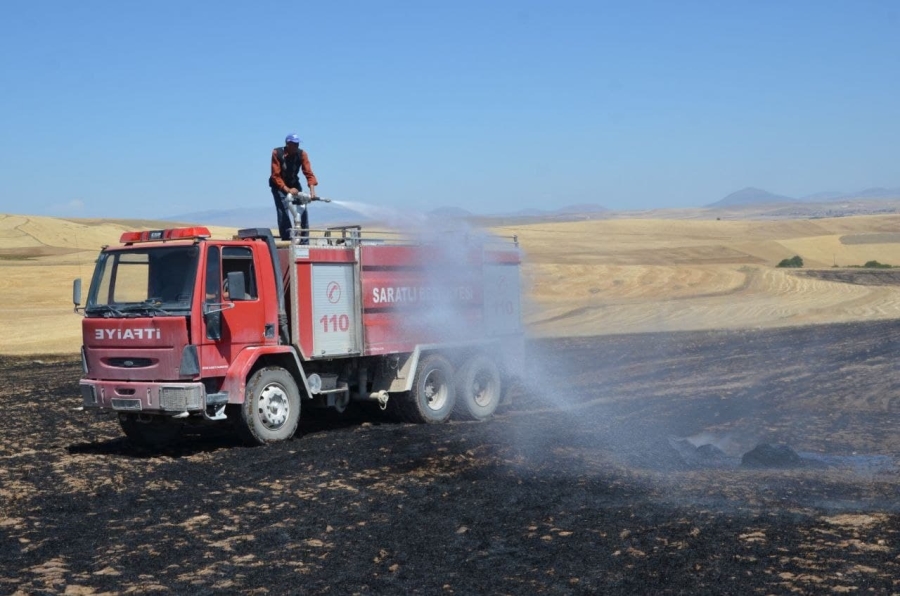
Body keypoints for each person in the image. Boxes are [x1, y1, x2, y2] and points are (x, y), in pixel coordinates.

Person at [269, 133, 318, 242]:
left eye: (298, 144)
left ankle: (304, 241)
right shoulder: (277, 153)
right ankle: (287, 240)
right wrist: (288, 190)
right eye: (294, 144)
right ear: (288, 144)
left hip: (294, 185)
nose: (297, 146)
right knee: (283, 210)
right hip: (279, 186)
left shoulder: (302, 154)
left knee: (302, 210)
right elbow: (275, 176)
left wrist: (312, 192)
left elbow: (309, 173)